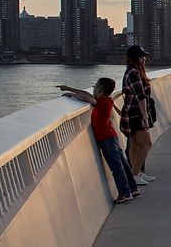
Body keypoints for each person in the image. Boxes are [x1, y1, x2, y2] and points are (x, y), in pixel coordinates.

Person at [58, 78, 140, 204]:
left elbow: (86, 98)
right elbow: (87, 95)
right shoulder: (106, 100)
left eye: (95, 86)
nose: (93, 88)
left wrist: (71, 94)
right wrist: (69, 88)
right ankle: (133, 188)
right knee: (122, 163)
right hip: (111, 136)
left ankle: (125, 193)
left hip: (107, 139)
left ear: (100, 89)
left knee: (116, 167)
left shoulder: (102, 102)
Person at [120, 45, 155, 186]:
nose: (144, 59)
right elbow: (141, 97)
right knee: (146, 144)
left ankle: (136, 173)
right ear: (135, 58)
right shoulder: (134, 73)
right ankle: (134, 175)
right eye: (141, 57)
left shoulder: (132, 72)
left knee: (135, 145)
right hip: (135, 114)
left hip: (131, 113)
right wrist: (145, 117)